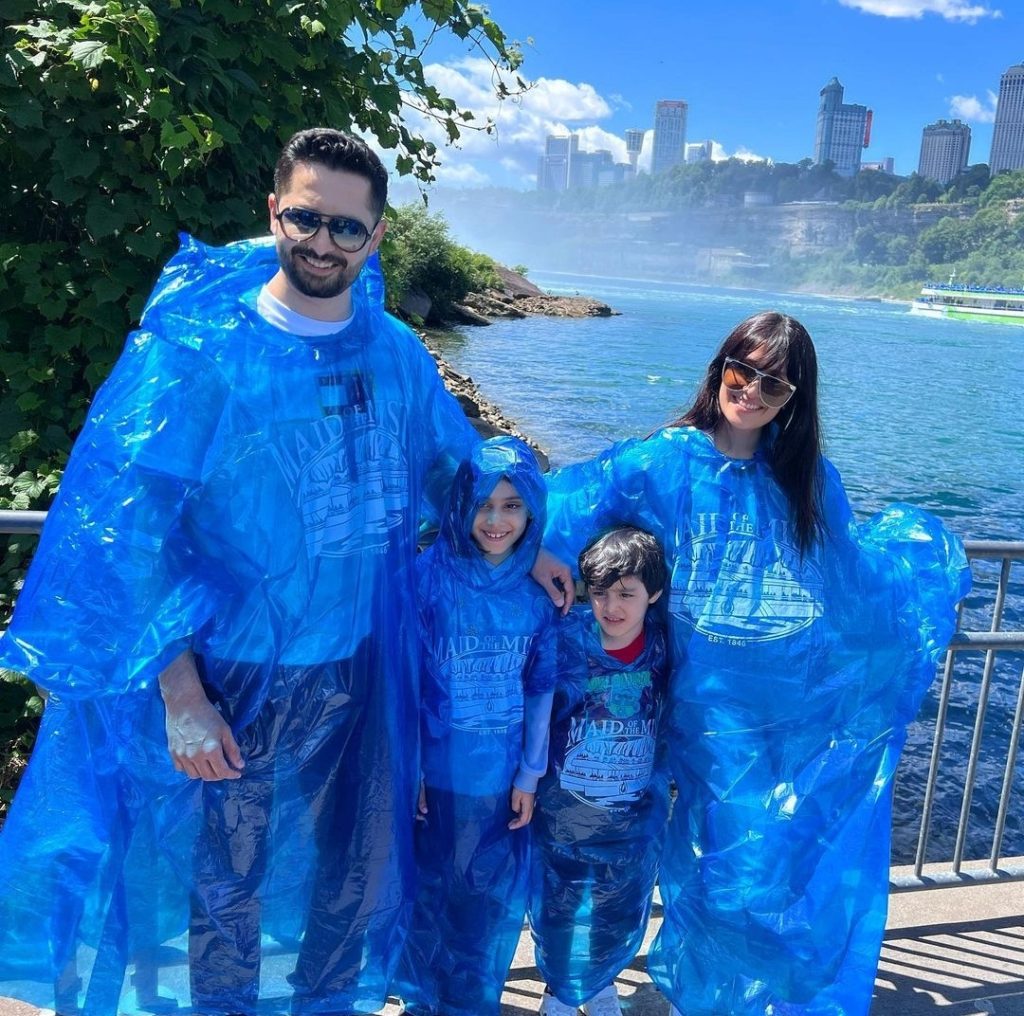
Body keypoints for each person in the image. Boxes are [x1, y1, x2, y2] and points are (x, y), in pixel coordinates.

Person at [0, 129, 569, 1015]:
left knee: (355, 880)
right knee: (226, 891)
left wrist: (533, 546)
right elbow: (128, 536)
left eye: (348, 228)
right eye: (306, 216)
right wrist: (181, 692)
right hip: (235, 681)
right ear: (274, 210)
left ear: (376, 238)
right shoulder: (199, 359)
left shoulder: (395, 358)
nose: (322, 242)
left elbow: (459, 476)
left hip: (360, 674)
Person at [541, 311, 971, 1016]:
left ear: (795, 398)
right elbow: (572, 503)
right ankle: (624, 983)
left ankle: (710, 995)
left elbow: (855, 586)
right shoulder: (664, 462)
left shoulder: (803, 484)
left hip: (768, 722)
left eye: (775, 383)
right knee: (651, 851)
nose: (753, 390)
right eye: (743, 370)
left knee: (749, 866)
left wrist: (922, 566)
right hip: (676, 704)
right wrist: (527, 547)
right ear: (720, 369)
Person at [395, 436, 558, 1016]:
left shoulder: (535, 599)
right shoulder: (426, 582)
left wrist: (530, 775)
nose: (496, 519)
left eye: (512, 505)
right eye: (483, 503)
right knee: (428, 894)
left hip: (497, 782)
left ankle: (468, 1001)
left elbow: (541, 688)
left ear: (533, 510)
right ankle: (424, 1002)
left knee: (484, 901)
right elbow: (404, 685)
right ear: (459, 505)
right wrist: (409, 767)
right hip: (433, 780)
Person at [530, 526, 670, 1016]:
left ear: (653, 594)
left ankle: (601, 982)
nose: (612, 607)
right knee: (560, 906)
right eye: (602, 592)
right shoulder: (569, 640)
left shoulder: (666, 646)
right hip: (564, 813)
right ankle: (560, 990)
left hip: (631, 818)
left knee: (619, 905)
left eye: (627, 594)